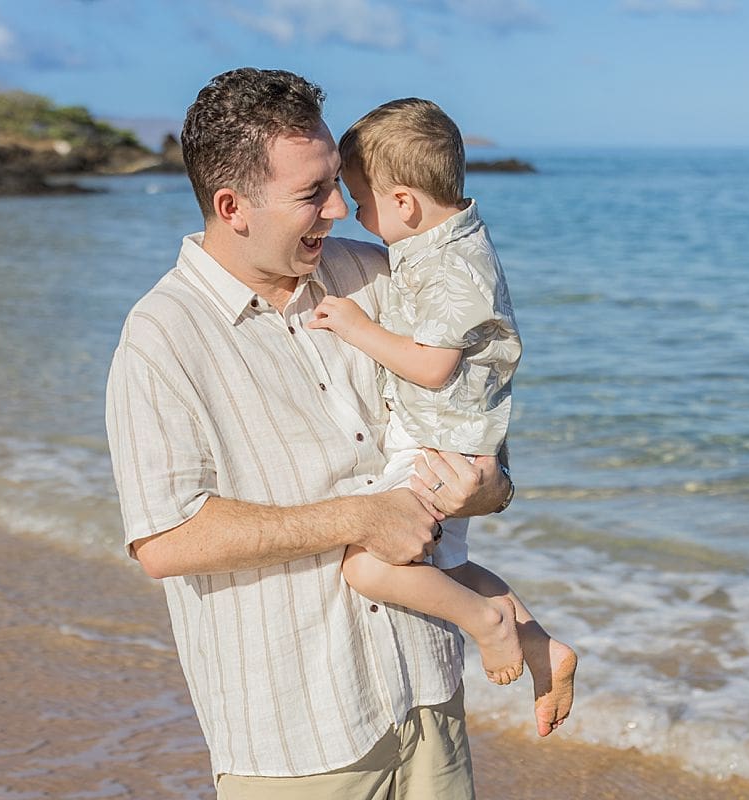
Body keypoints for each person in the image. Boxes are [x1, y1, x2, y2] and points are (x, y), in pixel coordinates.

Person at [106, 68, 512, 799]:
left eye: (336, 182)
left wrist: (490, 486)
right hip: (298, 741)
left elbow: (471, 428)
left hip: (428, 694)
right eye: (311, 194)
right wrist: (360, 517)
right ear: (231, 206)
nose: (338, 208)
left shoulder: (374, 272)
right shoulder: (160, 338)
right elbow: (166, 541)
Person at [308, 98, 578, 733]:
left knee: (367, 565)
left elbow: (431, 366)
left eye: (360, 199)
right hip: (454, 439)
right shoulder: (446, 244)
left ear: (404, 202)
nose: (353, 214)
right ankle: (542, 645)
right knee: (449, 566)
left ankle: (488, 621)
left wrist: (355, 325)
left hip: (437, 443)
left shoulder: (452, 266)